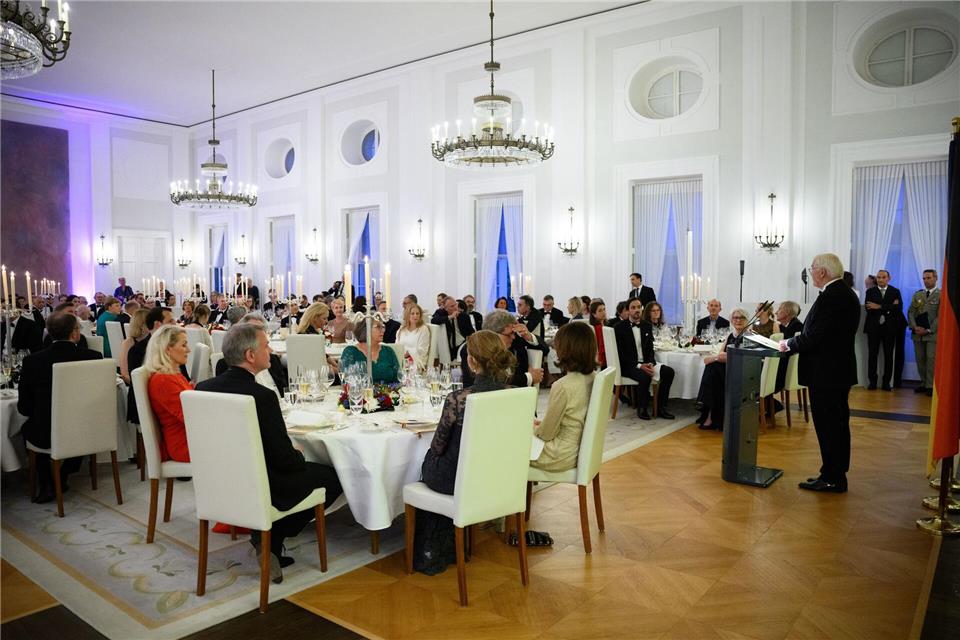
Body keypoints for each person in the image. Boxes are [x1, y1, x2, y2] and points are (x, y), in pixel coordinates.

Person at [197, 323, 343, 580]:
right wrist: (300, 454)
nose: (271, 352)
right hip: (263, 484)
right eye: (266, 347)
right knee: (333, 476)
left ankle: (266, 539)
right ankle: (270, 537)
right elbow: (285, 461)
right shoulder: (261, 396)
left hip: (219, 482)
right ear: (250, 356)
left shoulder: (203, 389)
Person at [412, 330, 516, 575]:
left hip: (458, 482)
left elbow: (437, 447)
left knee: (425, 462)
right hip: (498, 477)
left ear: (471, 361)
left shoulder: (458, 399)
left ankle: (433, 548)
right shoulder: (513, 394)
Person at [778, 253, 859, 492]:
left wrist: (789, 344)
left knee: (830, 426)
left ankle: (834, 477)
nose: (811, 271)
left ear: (822, 272)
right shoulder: (843, 294)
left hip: (827, 373)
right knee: (835, 424)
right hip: (834, 371)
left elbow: (816, 336)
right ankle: (831, 472)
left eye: (813, 268)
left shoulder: (833, 297)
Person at [19, 312, 103, 503]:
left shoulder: (33, 361)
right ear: (75, 334)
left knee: (28, 427)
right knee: (82, 425)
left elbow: (24, 407)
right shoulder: (93, 357)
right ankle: (65, 473)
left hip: (45, 434)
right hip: (85, 431)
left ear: (49, 333)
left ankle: (47, 482)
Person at [531, 322, 597, 472]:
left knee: (510, 443)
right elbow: (572, 418)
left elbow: (546, 434)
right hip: (579, 450)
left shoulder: (562, 386)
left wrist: (531, 428)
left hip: (558, 455)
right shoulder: (594, 377)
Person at [613, 298, 675, 420]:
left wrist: (651, 363)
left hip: (646, 362)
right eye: (633, 308)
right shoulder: (619, 328)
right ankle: (642, 408)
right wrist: (639, 366)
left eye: (639, 307)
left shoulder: (646, 326)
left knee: (669, 372)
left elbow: (650, 349)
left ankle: (661, 407)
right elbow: (621, 355)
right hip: (628, 365)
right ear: (628, 310)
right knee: (644, 376)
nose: (637, 310)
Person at [144, 325, 193, 462]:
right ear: (168, 349)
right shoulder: (163, 380)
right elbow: (189, 416)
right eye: (184, 345)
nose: (188, 350)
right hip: (184, 443)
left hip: (189, 436)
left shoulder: (172, 375)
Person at [695, 309, 749, 430]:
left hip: (742, 373)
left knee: (712, 368)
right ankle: (709, 413)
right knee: (712, 369)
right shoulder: (731, 335)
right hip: (728, 371)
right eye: (735, 318)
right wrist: (717, 358)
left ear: (747, 320)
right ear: (731, 320)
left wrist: (716, 358)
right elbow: (721, 354)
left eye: (742, 318)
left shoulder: (750, 336)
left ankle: (706, 409)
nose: (738, 320)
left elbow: (746, 358)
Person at [462, 310, 543, 389]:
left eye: (513, 333)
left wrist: (528, 336)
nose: (513, 337)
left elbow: (545, 349)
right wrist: (528, 377)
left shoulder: (516, 343)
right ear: (492, 334)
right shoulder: (473, 348)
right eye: (509, 334)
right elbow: (480, 383)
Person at [126, 306, 178, 426]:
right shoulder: (137, 351)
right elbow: (140, 387)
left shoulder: (173, 347)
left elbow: (183, 376)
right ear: (158, 325)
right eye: (171, 321)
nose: (175, 324)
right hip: (148, 407)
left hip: (170, 401)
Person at [864, 269, 906, 390]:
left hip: (890, 329)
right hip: (873, 328)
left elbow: (898, 308)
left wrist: (879, 306)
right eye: (878, 277)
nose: (880, 279)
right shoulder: (870, 291)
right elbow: (869, 308)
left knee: (888, 356)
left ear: (889, 278)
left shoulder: (895, 291)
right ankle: (872, 381)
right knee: (872, 355)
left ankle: (886, 382)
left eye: (883, 277)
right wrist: (889, 307)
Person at [339, 318, 401, 383]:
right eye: (378, 327)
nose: (382, 330)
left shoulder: (388, 351)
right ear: (366, 329)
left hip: (389, 392)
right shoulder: (351, 352)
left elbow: (398, 379)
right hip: (360, 392)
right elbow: (345, 381)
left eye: (383, 327)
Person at [908, 269, 939, 396]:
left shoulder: (941, 295)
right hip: (918, 335)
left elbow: (940, 316)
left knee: (931, 359)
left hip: (932, 334)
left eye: (929, 278)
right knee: (920, 359)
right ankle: (923, 382)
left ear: (935, 278)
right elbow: (911, 312)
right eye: (924, 278)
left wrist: (928, 329)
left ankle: (930, 385)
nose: (926, 280)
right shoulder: (918, 295)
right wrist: (915, 327)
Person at [431, 296, 475, 361]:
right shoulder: (440, 313)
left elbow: (471, 332)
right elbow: (434, 320)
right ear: (445, 308)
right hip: (447, 346)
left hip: (461, 344)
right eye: (451, 306)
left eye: (455, 305)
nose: (455, 307)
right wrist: (450, 317)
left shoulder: (464, 316)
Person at [397, 303, 431, 372]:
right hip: (401, 358)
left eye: (417, 313)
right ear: (407, 315)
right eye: (412, 313)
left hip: (416, 360)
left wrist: (408, 352)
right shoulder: (402, 329)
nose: (415, 316)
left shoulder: (423, 329)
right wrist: (402, 354)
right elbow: (397, 345)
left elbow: (423, 350)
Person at [119, 309, 150, 384]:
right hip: (136, 384)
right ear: (142, 326)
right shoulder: (128, 343)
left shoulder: (152, 340)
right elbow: (125, 374)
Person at [588, 300, 608, 368]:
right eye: (600, 310)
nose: (603, 312)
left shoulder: (604, 325)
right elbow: (601, 348)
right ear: (594, 314)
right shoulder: (599, 328)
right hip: (603, 362)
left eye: (604, 309)